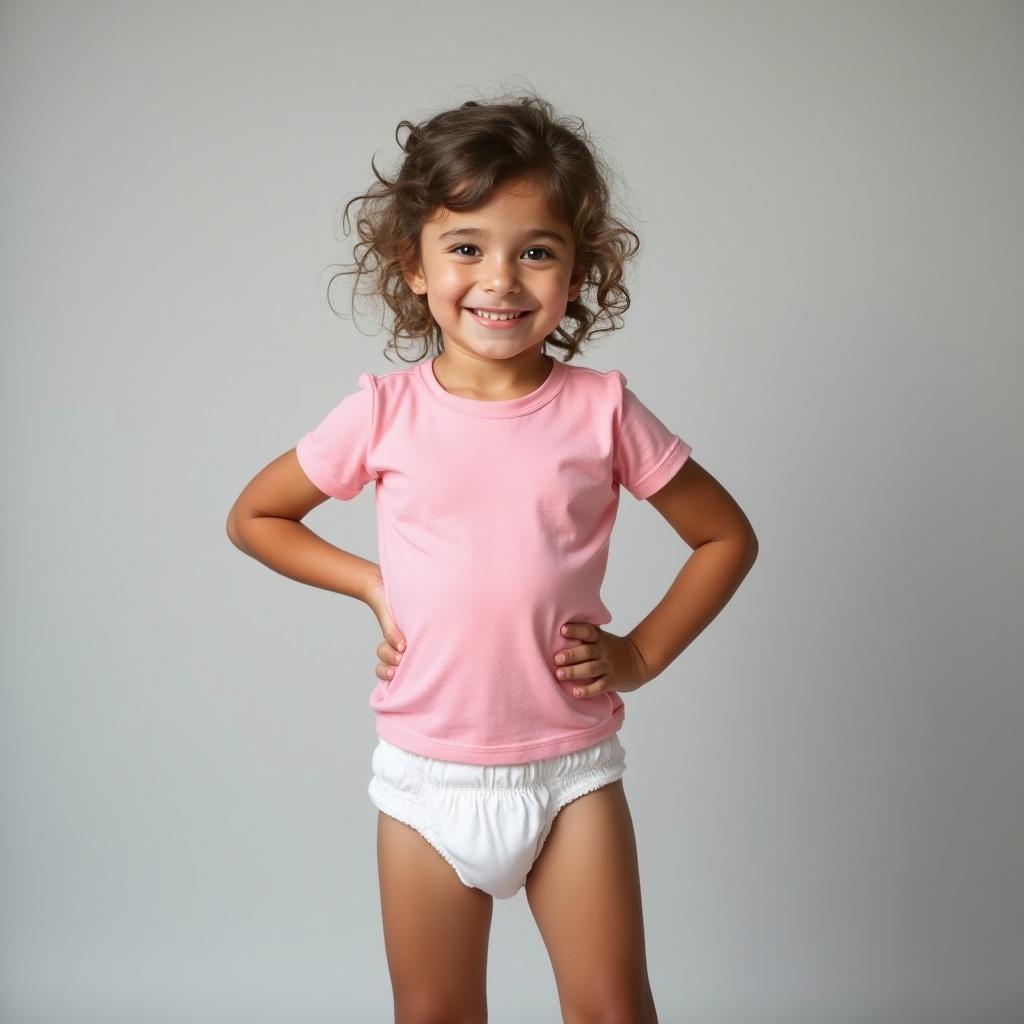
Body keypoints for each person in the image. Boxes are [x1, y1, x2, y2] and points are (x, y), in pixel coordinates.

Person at [226, 91, 758, 1024]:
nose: (500, 280)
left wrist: (640, 653)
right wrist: (370, 585)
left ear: (575, 270)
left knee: (613, 1010)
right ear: (415, 264)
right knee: (433, 1013)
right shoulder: (383, 412)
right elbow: (257, 516)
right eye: (466, 247)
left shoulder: (604, 410)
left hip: (568, 772)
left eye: (536, 251)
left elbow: (726, 536)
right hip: (425, 776)